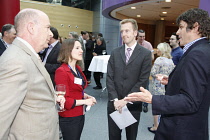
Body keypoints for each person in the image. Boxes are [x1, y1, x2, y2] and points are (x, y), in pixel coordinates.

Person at [125, 8, 210, 140]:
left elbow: (190, 101)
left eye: (181, 27)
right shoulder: (202, 49)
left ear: (195, 27)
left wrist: (152, 99)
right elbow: (199, 87)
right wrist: (172, 81)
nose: (177, 32)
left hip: (181, 131)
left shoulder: (197, 54)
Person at [0, 8, 65, 139]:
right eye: (47, 28)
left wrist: (51, 97)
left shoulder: (26, 54)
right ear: (31, 28)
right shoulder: (16, 61)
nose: (51, 34)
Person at [107, 19, 152, 140]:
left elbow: (142, 81)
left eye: (127, 31)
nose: (123, 34)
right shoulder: (115, 52)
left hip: (132, 105)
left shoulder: (146, 54)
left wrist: (125, 101)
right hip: (114, 104)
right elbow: (109, 78)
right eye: (122, 31)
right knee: (113, 137)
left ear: (135, 33)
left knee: (131, 137)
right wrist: (116, 99)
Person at [55, 39, 96, 140]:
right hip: (69, 117)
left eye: (81, 48)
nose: (81, 50)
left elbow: (76, 89)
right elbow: (65, 101)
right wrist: (86, 101)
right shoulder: (62, 71)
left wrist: (86, 96)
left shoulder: (77, 69)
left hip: (79, 114)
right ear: (68, 50)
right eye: (77, 48)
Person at [148, 42, 174, 133]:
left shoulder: (159, 60)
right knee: (164, 106)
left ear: (162, 50)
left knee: (156, 105)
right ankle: (162, 125)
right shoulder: (170, 60)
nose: (157, 50)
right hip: (167, 87)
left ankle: (156, 126)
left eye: (158, 48)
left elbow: (153, 73)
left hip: (158, 85)